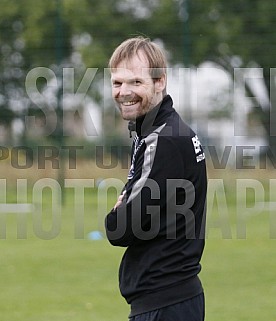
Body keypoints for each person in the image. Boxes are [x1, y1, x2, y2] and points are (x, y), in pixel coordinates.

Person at [105, 36, 207, 321]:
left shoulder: (164, 139)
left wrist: (114, 215)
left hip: (165, 304)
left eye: (136, 82)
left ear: (159, 81)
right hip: (171, 300)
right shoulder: (155, 131)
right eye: (117, 83)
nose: (124, 91)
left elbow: (120, 229)